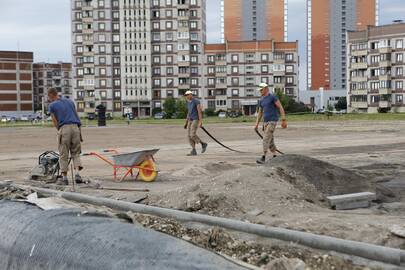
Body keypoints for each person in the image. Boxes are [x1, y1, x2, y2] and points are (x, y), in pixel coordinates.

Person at [47, 88, 84, 185]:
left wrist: (59, 130)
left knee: (63, 154)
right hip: (76, 127)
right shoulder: (70, 102)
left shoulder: (52, 105)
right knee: (76, 153)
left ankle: (64, 178)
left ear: (51, 95)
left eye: (48, 97)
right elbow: (76, 116)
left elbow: (54, 120)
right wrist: (79, 130)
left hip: (64, 128)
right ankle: (77, 175)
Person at [254, 83, 287, 164]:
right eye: (260, 90)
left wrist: (283, 120)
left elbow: (280, 107)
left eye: (261, 90)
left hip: (273, 121)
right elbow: (260, 113)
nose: (260, 91)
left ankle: (263, 157)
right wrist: (256, 124)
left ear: (266, 89)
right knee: (270, 139)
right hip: (265, 122)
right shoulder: (261, 100)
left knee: (266, 138)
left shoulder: (272, 97)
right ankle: (275, 155)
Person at [184, 90, 208, 156]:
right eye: (185, 95)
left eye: (187, 95)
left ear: (191, 95)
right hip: (190, 120)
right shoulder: (188, 102)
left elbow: (199, 112)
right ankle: (193, 150)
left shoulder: (196, 101)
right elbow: (188, 113)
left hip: (195, 119)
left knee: (192, 134)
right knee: (189, 136)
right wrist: (186, 122)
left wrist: (200, 122)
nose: (186, 96)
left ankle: (203, 144)